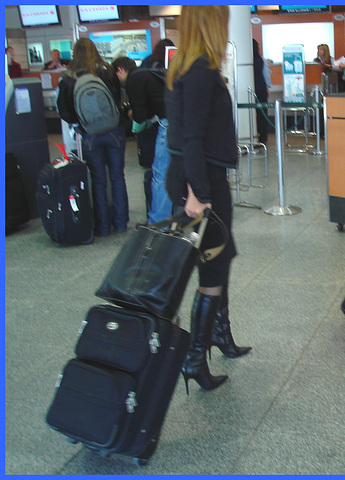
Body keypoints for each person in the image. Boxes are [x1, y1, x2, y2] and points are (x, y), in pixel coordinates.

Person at [165, 5, 251, 394]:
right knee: (213, 268)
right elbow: (192, 138)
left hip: (196, 177)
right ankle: (195, 358)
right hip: (201, 182)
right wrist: (198, 194)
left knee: (222, 255)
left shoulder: (186, 68)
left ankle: (221, 335)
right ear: (211, 24)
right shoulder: (200, 70)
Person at [57, 38, 129, 237]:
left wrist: (82, 123)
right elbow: (118, 100)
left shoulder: (68, 78)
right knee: (117, 177)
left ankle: (102, 226)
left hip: (89, 135)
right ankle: (121, 222)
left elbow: (64, 112)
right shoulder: (107, 71)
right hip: (114, 132)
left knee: (97, 180)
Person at [112, 56, 173, 224]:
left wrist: (129, 114)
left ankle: (158, 223)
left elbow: (140, 117)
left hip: (168, 125)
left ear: (120, 70)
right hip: (180, 121)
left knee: (160, 176)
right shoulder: (149, 74)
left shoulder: (134, 80)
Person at [252, 39, 270, 144]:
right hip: (261, 88)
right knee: (262, 114)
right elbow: (266, 75)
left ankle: (254, 135)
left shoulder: (245, 60)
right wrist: (267, 87)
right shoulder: (261, 59)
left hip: (251, 90)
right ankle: (263, 137)